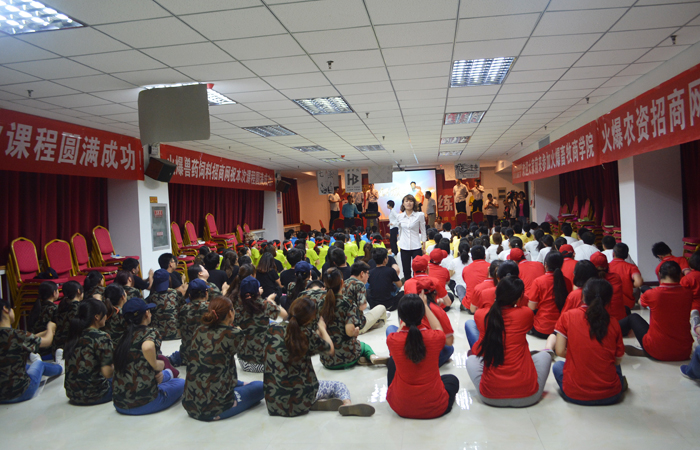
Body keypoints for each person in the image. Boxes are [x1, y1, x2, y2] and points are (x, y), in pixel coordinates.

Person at [263, 295, 374, 417]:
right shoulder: (306, 334)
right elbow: (330, 349)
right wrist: (322, 328)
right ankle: (346, 404)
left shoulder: (272, 329)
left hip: (273, 403)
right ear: (309, 319)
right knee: (339, 386)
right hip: (300, 399)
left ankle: (314, 403)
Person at [466, 276, 552, 407]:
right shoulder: (526, 314)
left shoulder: (481, 315)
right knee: (545, 355)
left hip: (490, 396)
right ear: (518, 297)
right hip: (528, 397)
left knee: (471, 360)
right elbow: (526, 310)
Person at [183, 295, 264, 421]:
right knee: (260, 386)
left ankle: (236, 385)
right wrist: (238, 330)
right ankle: (229, 404)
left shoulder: (199, 330)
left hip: (190, 404)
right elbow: (248, 354)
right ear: (230, 313)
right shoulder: (234, 334)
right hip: (215, 408)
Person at [552, 278, 627, 406]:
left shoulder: (568, 316)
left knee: (557, 366)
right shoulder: (613, 322)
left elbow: (559, 351)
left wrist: (578, 356)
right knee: (615, 367)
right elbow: (617, 360)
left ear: (583, 296)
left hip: (575, 395)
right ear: (609, 300)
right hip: (610, 396)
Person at [386, 294, 459, 419]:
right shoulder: (435, 337)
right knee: (452, 380)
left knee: (393, 361)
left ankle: (397, 394)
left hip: (400, 407)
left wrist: (405, 319)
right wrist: (425, 305)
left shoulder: (392, 340)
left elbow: (400, 332)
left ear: (401, 316)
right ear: (422, 314)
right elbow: (438, 328)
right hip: (434, 408)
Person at [112, 298, 185, 415]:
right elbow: (147, 347)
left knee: (163, 374)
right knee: (181, 382)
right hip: (146, 403)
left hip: (119, 404)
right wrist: (156, 365)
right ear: (146, 313)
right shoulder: (150, 332)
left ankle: (167, 374)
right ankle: (169, 374)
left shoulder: (122, 338)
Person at [619, 261, 693, 361]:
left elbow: (641, 302)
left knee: (633, 317)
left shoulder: (653, 294)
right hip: (684, 351)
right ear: (680, 275)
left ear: (659, 274)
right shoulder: (688, 293)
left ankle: (606, 332)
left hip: (657, 349)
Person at [320, 268, 387, 369]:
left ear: (324, 284)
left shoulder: (319, 303)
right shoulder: (348, 303)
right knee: (364, 346)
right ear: (342, 282)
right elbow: (349, 332)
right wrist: (355, 331)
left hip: (327, 360)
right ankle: (372, 356)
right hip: (349, 356)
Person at [0, 297, 62, 404]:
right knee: (39, 364)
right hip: (21, 392)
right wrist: (50, 328)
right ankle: (60, 367)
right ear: (5, 309)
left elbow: (28, 338)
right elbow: (47, 341)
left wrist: (45, 332)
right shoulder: (18, 335)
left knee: (26, 366)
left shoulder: (18, 336)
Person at [63, 298, 114, 405]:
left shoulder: (74, 334)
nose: (106, 317)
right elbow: (108, 373)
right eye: (105, 314)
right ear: (97, 316)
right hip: (96, 395)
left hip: (72, 394)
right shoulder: (102, 337)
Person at [235, 276, 287, 373]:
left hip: (244, 363)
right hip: (266, 363)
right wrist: (270, 300)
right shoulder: (266, 305)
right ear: (257, 292)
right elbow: (285, 315)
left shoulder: (238, 309)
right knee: (278, 327)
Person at [168, 279, 211, 368]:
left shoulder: (182, 309)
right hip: (209, 357)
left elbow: (179, 333)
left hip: (187, 358)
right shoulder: (212, 308)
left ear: (190, 295)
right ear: (206, 293)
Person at [529, 252, 573, 338]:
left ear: (546, 265)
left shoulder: (538, 281)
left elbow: (531, 307)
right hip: (560, 331)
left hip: (541, 329)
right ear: (561, 265)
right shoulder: (567, 282)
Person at [345, 261, 387, 334]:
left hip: (343, 325)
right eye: (367, 273)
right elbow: (362, 307)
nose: (368, 276)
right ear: (362, 273)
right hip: (357, 325)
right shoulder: (360, 284)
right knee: (381, 308)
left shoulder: (343, 283)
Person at [147, 269, 185, 340]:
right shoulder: (176, 293)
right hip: (176, 334)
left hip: (157, 335)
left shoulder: (151, 297)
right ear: (169, 279)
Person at [51, 280, 83, 362]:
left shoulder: (61, 306)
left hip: (56, 348)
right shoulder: (80, 308)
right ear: (79, 291)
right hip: (72, 350)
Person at [396, 194, 426, 281]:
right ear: (403, 204)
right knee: (406, 270)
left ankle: (418, 286)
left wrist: (424, 246)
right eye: (406, 201)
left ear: (414, 203)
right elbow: (400, 231)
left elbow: (423, 231)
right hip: (404, 246)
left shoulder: (420, 215)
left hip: (416, 246)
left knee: (418, 269)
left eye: (411, 201)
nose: (408, 203)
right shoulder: (399, 216)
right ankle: (408, 286)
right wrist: (400, 242)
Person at [589, 252, 626, 321]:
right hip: (619, 320)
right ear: (607, 265)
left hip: (599, 322)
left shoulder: (589, 282)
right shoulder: (616, 278)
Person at [609, 243, 644, 312]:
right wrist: (629, 284)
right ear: (627, 255)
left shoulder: (607, 266)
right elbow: (639, 282)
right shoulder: (631, 267)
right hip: (628, 304)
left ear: (613, 254)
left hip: (610, 304)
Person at [461, 245, 490, 312]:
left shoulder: (466, 269)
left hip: (470, 305)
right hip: (488, 304)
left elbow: (466, 282)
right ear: (485, 256)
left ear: (471, 257)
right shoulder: (491, 267)